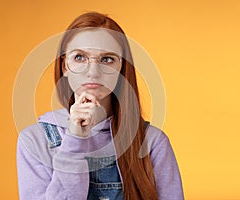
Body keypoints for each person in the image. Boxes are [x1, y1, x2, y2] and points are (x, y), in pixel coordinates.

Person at [16, 12, 184, 200]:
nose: (93, 72)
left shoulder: (152, 142)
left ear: (121, 68)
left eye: (107, 59)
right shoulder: (34, 140)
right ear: (64, 67)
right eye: (79, 57)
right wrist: (75, 139)